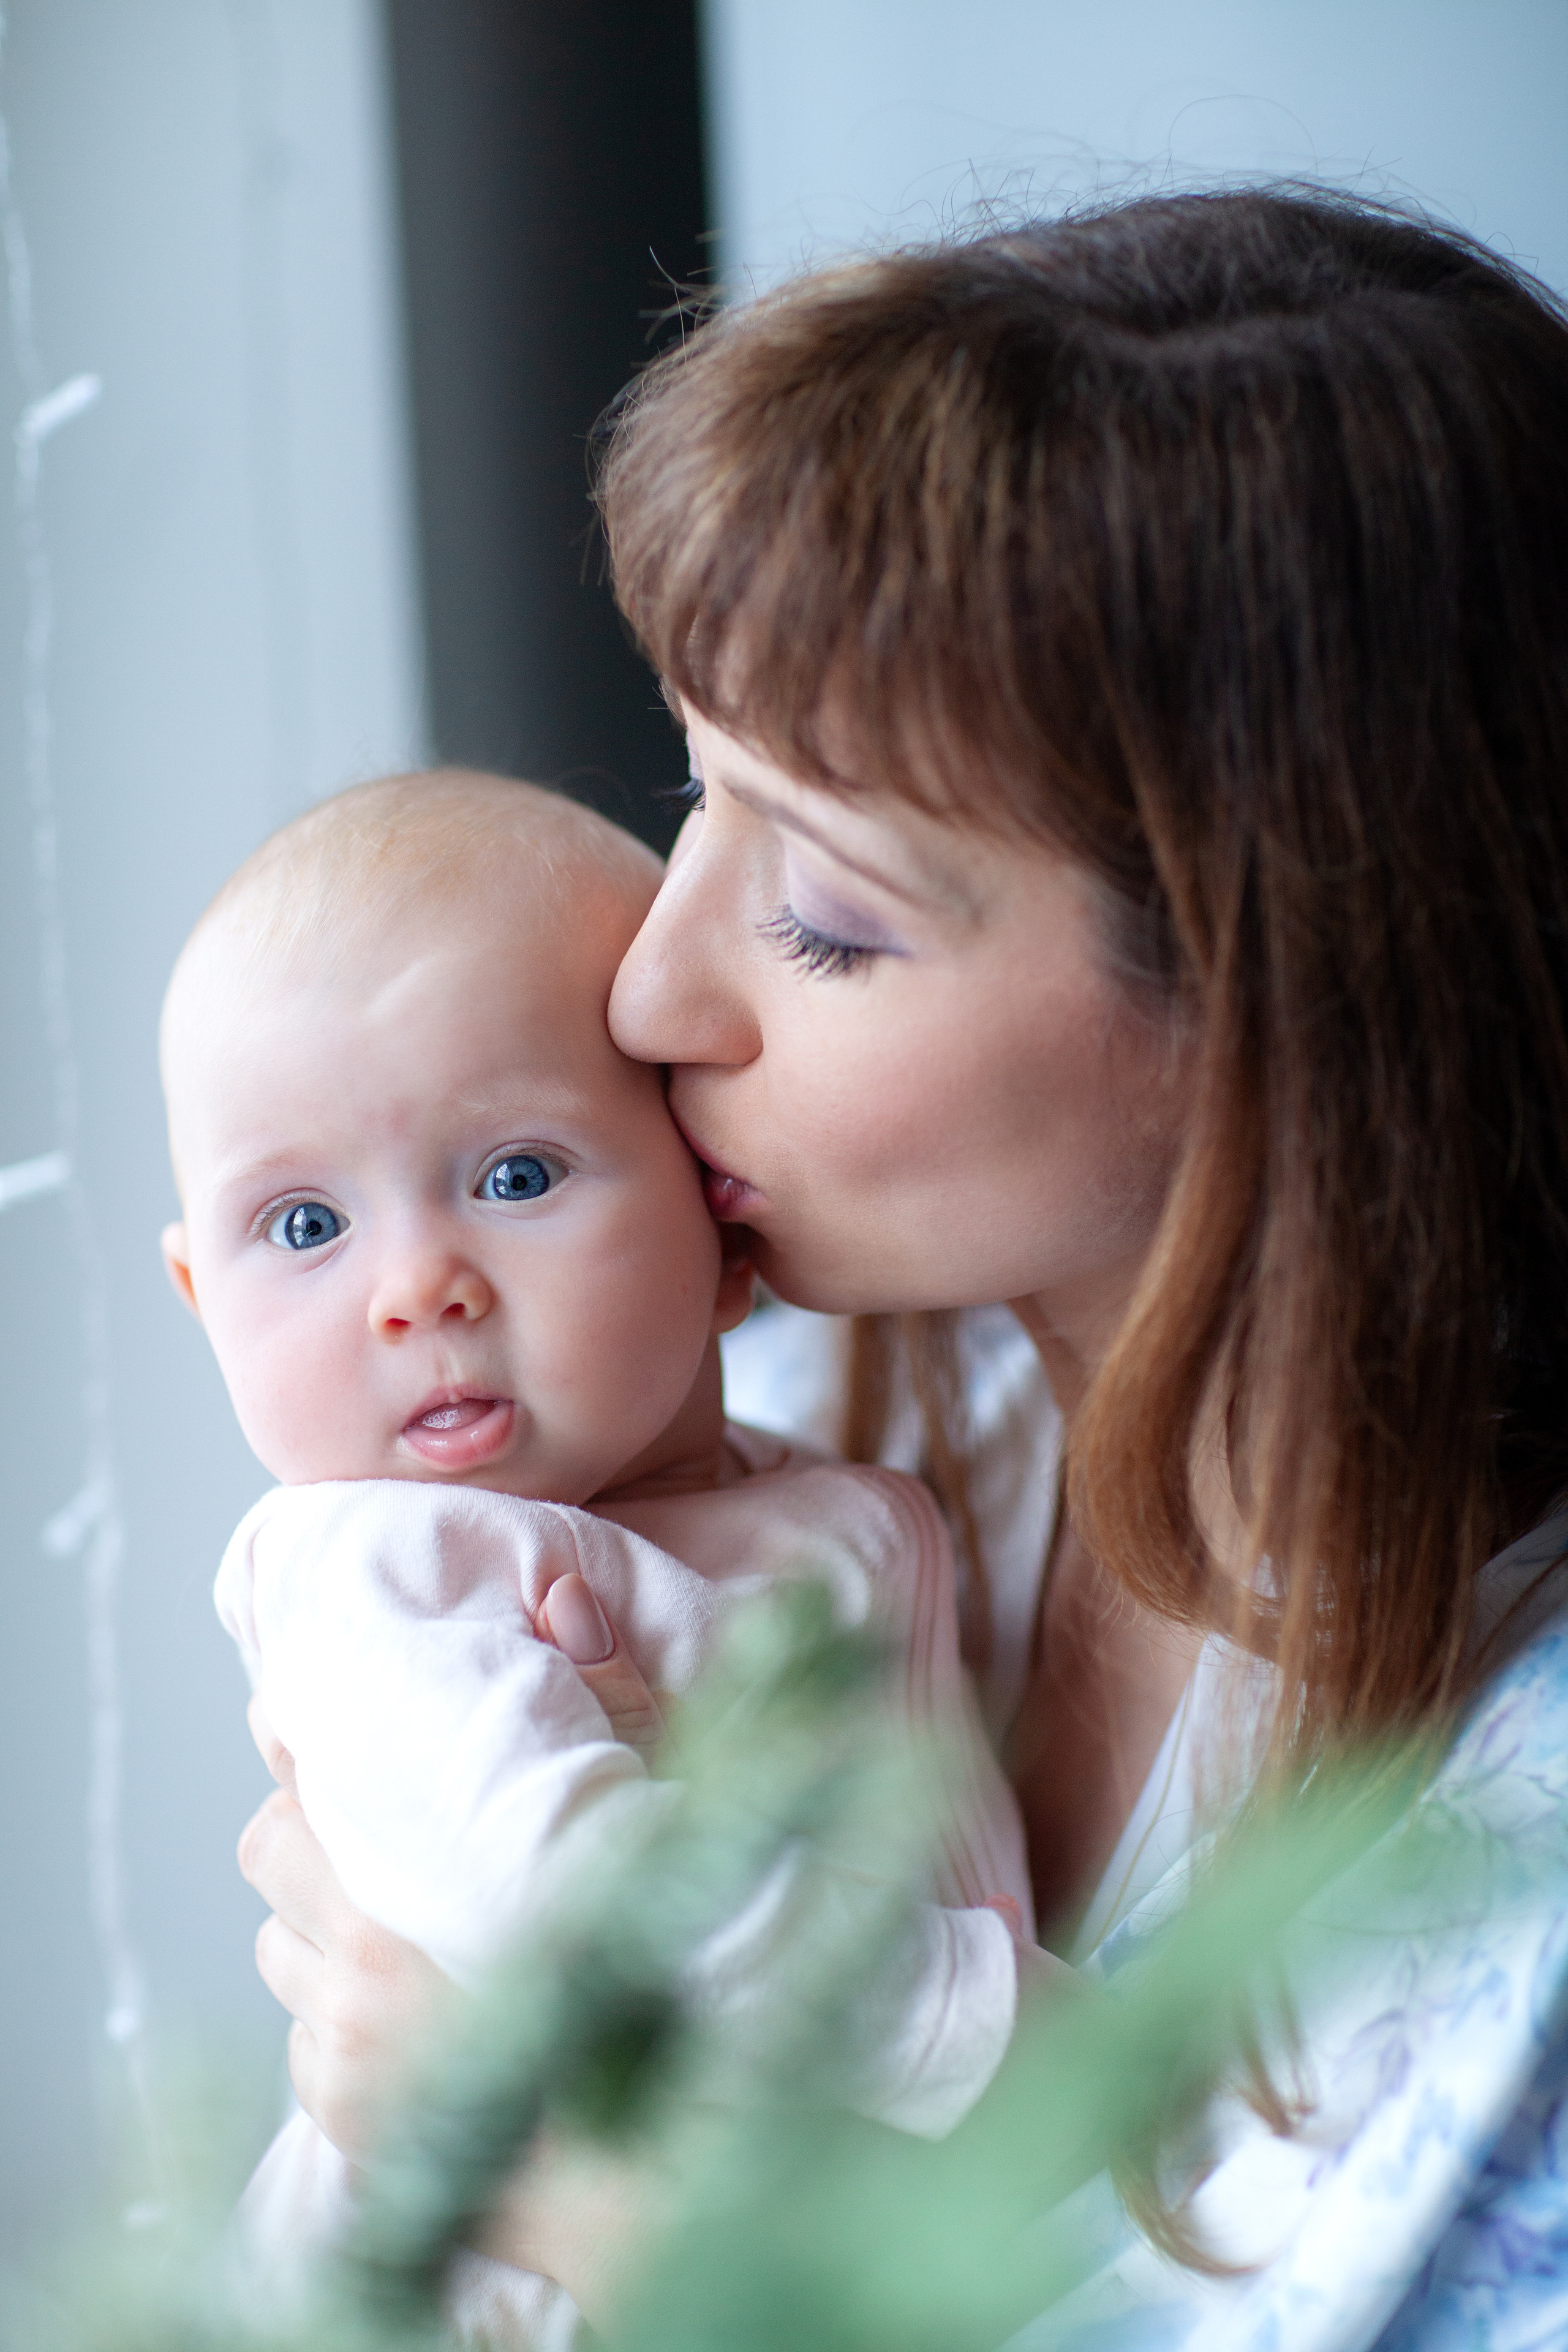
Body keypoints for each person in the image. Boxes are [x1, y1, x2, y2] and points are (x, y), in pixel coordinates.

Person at [235, 189, 1568, 2347]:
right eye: (695, 795)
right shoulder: (831, 1417)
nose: (656, 986)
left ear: (1294, 1010)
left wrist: (604, 2205)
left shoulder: (1504, 1833)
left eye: (832, 921)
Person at [159, 770, 1033, 2341]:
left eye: (515, 1177)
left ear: (719, 1230)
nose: (417, 1287)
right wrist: (992, 2031)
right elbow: (568, 1894)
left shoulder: (788, 1484)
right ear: (198, 1295)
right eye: (301, 1227)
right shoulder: (386, 1573)